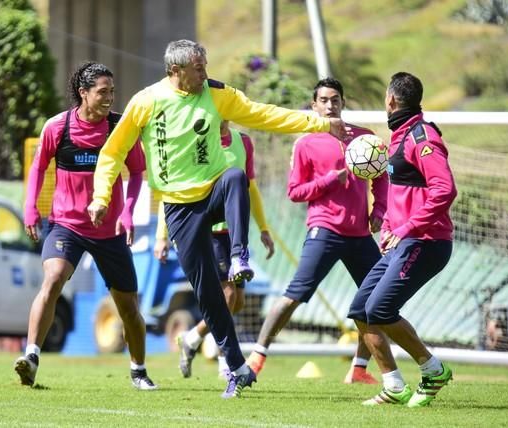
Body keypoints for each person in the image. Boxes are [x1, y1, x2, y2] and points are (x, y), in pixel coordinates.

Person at [88, 39, 352, 399]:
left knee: (235, 177)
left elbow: (264, 113)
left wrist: (317, 123)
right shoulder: (146, 102)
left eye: (206, 65)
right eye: (199, 68)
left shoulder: (217, 95)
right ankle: (237, 367)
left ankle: (240, 256)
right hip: (179, 209)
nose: (205, 73)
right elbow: (112, 152)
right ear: (175, 71)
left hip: (213, 192)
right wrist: (102, 198)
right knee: (209, 296)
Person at [14, 62, 157, 391]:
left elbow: (136, 173)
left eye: (112, 92)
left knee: (128, 307)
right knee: (52, 279)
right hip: (67, 226)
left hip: (110, 232)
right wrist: (31, 209)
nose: (109, 98)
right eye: (102, 92)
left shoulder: (121, 128)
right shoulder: (57, 127)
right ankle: (31, 357)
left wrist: (128, 213)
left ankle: (138, 369)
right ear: (83, 93)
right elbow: (37, 170)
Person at [246, 78, 387, 385]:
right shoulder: (306, 143)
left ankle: (359, 369)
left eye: (335, 99)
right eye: (323, 100)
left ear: (343, 102)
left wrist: (379, 211)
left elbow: (381, 178)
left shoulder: (366, 138)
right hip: (324, 230)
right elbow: (295, 192)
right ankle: (256, 357)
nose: (329, 105)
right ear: (314, 106)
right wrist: (328, 180)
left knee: (378, 298)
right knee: (294, 296)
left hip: (360, 235)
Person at [347, 72, 458, 407]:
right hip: (403, 240)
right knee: (361, 311)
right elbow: (404, 192)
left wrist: (406, 227)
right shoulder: (399, 136)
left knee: (380, 309)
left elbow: (445, 190)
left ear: (390, 99)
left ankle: (433, 369)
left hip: (427, 240)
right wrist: (390, 226)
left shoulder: (421, 136)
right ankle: (394, 385)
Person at [153, 120, 275, 380]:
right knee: (228, 295)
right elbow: (174, 192)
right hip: (210, 230)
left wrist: (264, 227)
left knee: (237, 301)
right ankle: (226, 362)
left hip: (236, 232)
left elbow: (249, 187)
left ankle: (193, 337)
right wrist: (161, 235)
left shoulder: (243, 142)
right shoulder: (192, 142)